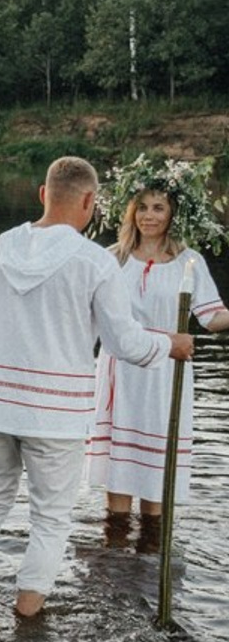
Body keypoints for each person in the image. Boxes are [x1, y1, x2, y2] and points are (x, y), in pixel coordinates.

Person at [0, 156, 194, 617]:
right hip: (56, 416)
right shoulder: (95, 262)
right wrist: (170, 343)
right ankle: (26, 617)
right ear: (88, 201)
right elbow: (126, 344)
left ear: (43, 194)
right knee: (51, 518)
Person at [87, 166, 229, 525]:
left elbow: (211, 318)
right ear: (131, 211)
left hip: (167, 371)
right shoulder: (111, 258)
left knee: (157, 478)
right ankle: (114, 547)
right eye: (143, 207)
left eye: (159, 208)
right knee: (118, 480)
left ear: (173, 214)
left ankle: (152, 549)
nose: (149, 216)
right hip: (122, 368)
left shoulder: (188, 262)